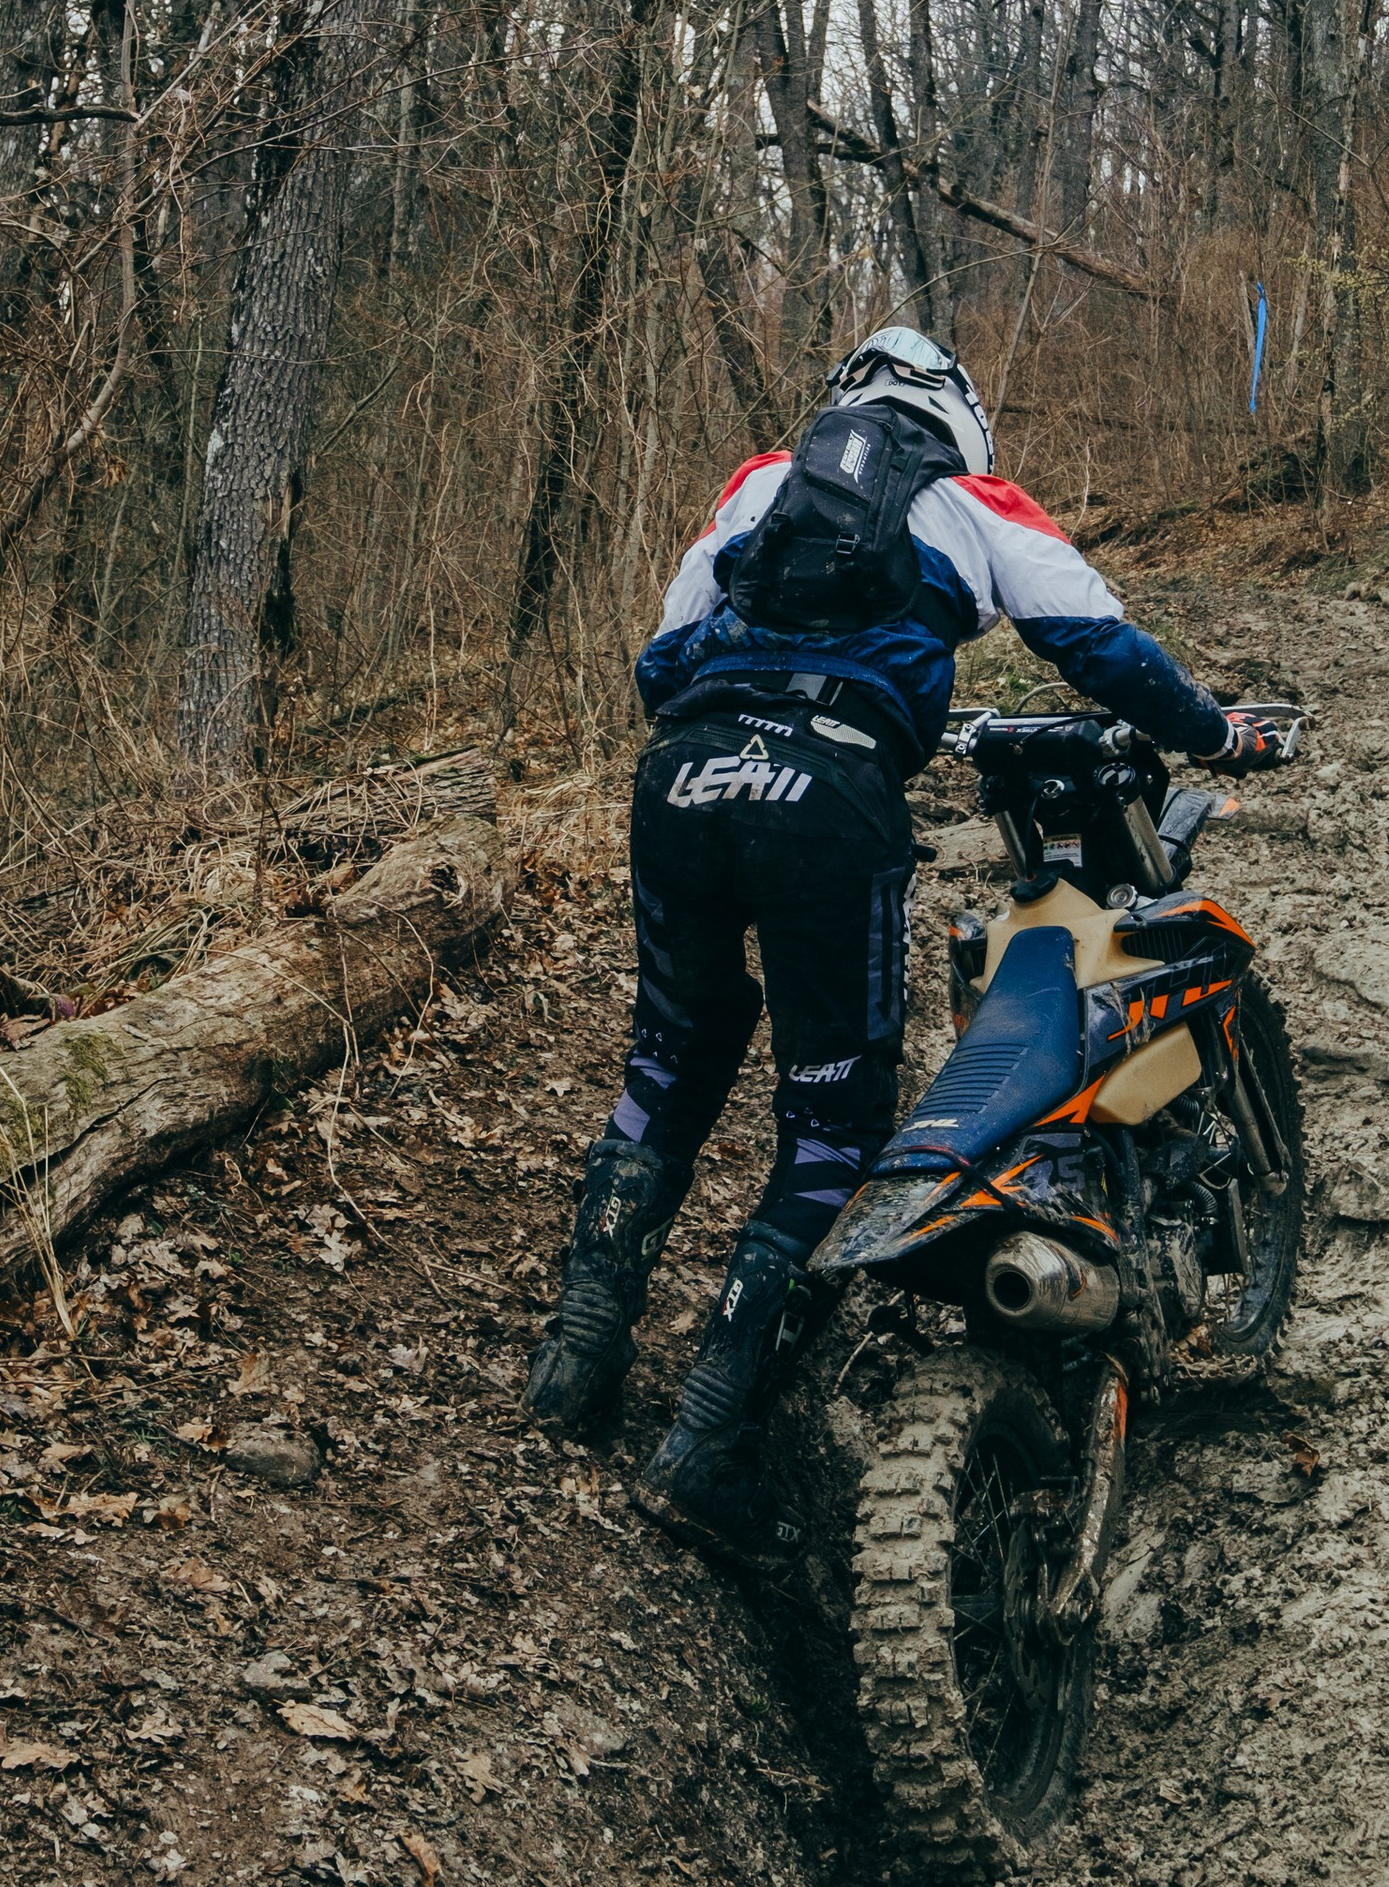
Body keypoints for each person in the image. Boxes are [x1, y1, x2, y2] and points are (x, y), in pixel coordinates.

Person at [525, 322, 1250, 1555]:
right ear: (958, 414)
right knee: (832, 1120)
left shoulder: (762, 482)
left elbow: (658, 664)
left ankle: (576, 1356)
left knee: (671, 1054)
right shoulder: (975, 498)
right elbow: (1095, 643)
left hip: (682, 776)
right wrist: (1213, 732)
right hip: (828, 794)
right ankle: (707, 1441)